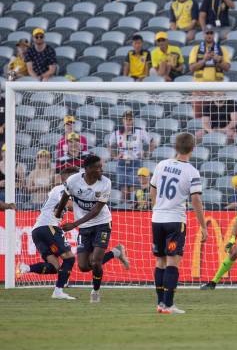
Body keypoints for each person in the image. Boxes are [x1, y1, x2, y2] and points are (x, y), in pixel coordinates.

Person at [19, 167, 129, 299]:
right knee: (70, 258)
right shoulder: (61, 189)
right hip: (49, 226)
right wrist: (88, 205)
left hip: (37, 231)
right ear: (67, 179)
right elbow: (68, 204)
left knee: (54, 266)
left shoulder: (66, 190)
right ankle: (58, 291)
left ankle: (26, 268)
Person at [54, 155, 130, 303]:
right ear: (88, 169)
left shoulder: (105, 183)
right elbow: (65, 197)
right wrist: (57, 215)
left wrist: (74, 224)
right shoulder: (73, 181)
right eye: (98, 167)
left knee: (95, 261)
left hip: (102, 223)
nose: (101, 169)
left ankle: (95, 292)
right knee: (83, 266)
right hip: (84, 226)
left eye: (101, 166)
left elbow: (96, 211)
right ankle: (117, 252)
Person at [151, 133, 207, 314]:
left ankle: (160, 303)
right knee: (173, 262)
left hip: (157, 219)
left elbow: (152, 189)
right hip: (175, 221)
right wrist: (203, 226)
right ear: (193, 148)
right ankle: (169, 304)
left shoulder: (161, 165)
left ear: (175, 147)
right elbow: (196, 200)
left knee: (160, 260)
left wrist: (156, 208)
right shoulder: (191, 171)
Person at [108, 110, 155, 201]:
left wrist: (146, 154)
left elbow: (152, 142)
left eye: (130, 119)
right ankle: (124, 210)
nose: (128, 121)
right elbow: (109, 144)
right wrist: (114, 156)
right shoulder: (117, 132)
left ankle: (135, 208)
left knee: (134, 188)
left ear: (133, 120)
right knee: (124, 190)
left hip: (135, 162)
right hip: (122, 162)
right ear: (123, 120)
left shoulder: (139, 131)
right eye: (126, 119)